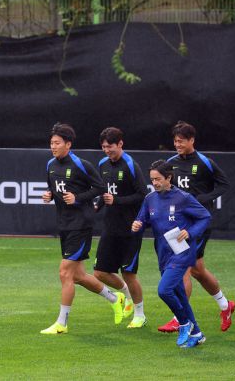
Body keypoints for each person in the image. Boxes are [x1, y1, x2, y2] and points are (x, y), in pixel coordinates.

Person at [41, 123, 125, 334]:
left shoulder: (81, 164)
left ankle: (62, 322)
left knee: (64, 273)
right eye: (51, 143)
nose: (53, 146)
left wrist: (77, 198)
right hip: (64, 224)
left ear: (68, 144)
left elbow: (99, 188)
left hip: (81, 224)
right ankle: (115, 298)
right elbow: (53, 189)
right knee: (78, 276)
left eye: (57, 143)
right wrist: (50, 195)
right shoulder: (50, 164)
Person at [158, 121, 235, 333]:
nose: (177, 144)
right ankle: (225, 305)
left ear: (192, 140)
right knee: (198, 270)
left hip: (198, 223)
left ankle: (179, 318)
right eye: (175, 141)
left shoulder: (204, 162)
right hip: (179, 224)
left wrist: (203, 198)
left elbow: (224, 184)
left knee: (184, 267)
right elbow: (164, 187)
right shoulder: (170, 162)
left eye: (181, 141)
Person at [132, 160, 211, 348]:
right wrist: (138, 224)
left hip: (182, 252)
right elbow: (142, 219)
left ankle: (184, 323)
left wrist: (191, 232)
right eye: (152, 179)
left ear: (169, 177)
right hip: (163, 252)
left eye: (158, 179)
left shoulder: (183, 197)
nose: (155, 183)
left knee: (164, 290)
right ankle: (197, 333)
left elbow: (205, 217)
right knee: (179, 294)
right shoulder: (150, 199)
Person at [94, 128, 148, 328]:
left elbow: (142, 194)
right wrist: (98, 204)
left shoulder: (131, 165)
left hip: (131, 227)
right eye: (104, 147)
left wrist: (116, 200)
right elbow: (103, 192)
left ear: (120, 144)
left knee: (128, 272)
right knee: (99, 272)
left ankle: (140, 315)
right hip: (110, 226)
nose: (107, 150)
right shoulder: (102, 164)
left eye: (111, 146)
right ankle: (125, 295)